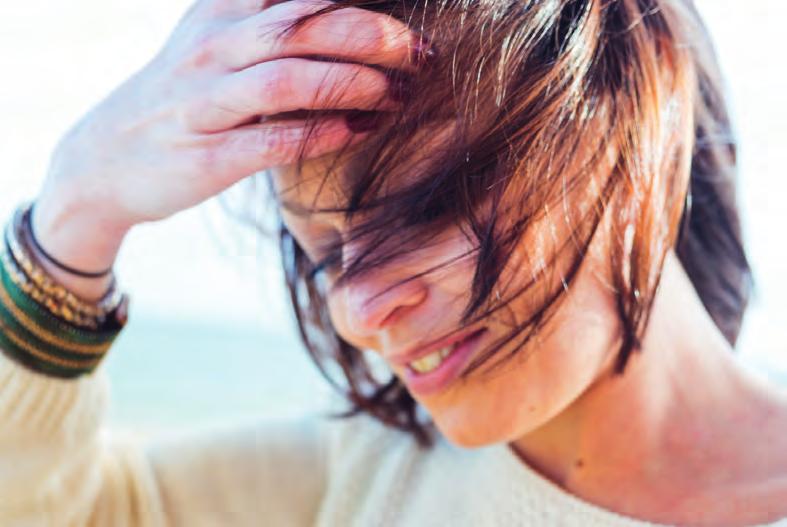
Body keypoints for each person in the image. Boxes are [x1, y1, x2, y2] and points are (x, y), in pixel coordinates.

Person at [1, 0, 785, 525]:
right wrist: (74, 213)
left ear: (627, 97)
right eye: (326, 257)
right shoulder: (350, 481)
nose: (355, 310)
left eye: (423, 208)